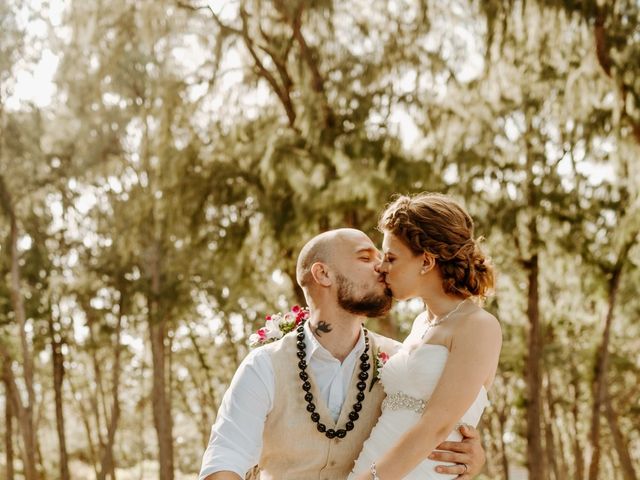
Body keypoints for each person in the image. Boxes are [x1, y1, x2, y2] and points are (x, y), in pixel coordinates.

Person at [199, 227, 486, 480]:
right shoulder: (265, 366)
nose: (382, 267)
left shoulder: (400, 364)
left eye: (383, 257)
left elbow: (432, 424)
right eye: (366, 257)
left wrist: (469, 453)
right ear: (323, 274)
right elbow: (225, 459)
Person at [349, 193, 502, 480]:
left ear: (426, 261)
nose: (382, 267)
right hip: (373, 463)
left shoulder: (478, 326)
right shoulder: (421, 324)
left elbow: (437, 424)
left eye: (391, 258)